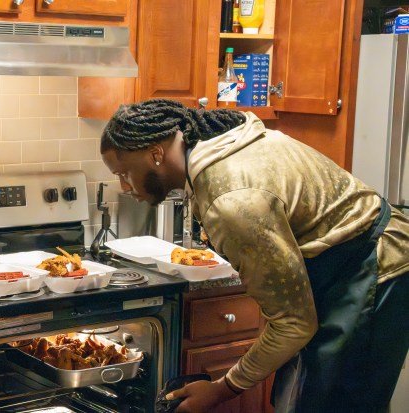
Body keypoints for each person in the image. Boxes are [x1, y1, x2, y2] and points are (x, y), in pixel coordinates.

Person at [100, 99, 409, 413]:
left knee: (336, 404)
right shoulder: (224, 142)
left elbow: (293, 324)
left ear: (156, 154)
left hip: (375, 269)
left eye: (124, 172)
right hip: (343, 266)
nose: (124, 186)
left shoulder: (231, 201)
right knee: (300, 396)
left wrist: (220, 390)